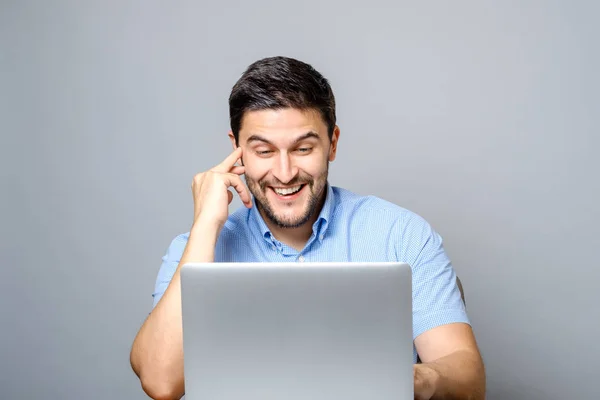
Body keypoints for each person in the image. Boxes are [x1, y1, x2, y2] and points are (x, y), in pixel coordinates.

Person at [130, 56, 486, 400]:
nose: (285, 173)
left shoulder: (401, 234)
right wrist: (206, 224)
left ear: (332, 143)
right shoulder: (193, 249)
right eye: (263, 151)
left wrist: (406, 379)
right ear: (236, 149)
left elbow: (467, 377)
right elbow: (160, 382)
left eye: (303, 148)